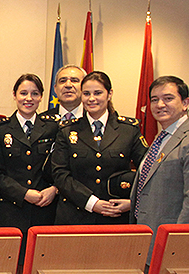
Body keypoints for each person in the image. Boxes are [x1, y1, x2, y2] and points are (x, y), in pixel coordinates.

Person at [132, 76, 189, 247]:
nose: (160, 105)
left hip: (171, 242)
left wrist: (175, 242)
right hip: (147, 236)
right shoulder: (160, 139)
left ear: (185, 103)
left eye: (168, 98)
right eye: (154, 100)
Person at [50, 71, 147, 224]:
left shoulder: (128, 129)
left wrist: (133, 202)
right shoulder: (67, 130)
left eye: (98, 93)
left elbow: (148, 171)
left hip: (116, 216)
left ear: (109, 94)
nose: (92, 99)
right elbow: (59, 173)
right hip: (75, 216)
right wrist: (92, 203)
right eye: (86, 94)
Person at [0, 73, 59, 233]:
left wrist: (55, 189)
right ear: (14, 95)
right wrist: (24, 193)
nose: (29, 98)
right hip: (10, 210)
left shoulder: (54, 128)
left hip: (45, 210)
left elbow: (60, 167)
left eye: (35, 93)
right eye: (23, 93)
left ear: (41, 97)